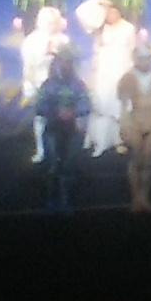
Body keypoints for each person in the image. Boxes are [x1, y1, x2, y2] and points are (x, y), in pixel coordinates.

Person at [74, 0, 138, 157]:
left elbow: (132, 50)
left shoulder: (129, 28)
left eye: (113, 11)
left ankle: (119, 141)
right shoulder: (100, 28)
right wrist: (98, 0)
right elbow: (80, 12)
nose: (110, 14)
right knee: (102, 106)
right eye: (107, 12)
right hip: (103, 71)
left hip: (121, 69)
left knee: (118, 106)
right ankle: (100, 141)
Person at [117, 44, 151, 213]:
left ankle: (144, 196)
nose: (144, 61)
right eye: (141, 58)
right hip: (135, 121)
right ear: (134, 58)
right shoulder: (128, 78)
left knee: (148, 160)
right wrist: (124, 125)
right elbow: (124, 106)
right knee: (136, 158)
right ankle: (135, 197)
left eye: (148, 57)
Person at [36, 47, 91, 212]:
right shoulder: (48, 85)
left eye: (69, 62)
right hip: (53, 129)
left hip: (73, 130)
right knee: (52, 166)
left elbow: (85, 104)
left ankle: (67, 201)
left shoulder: (78, 85)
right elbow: (40, 107)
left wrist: (74, 113)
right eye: (63, 61)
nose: (65, 65)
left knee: (69, 167)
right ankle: (51, 200)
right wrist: (56, 113)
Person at [20, 6, 71, 163]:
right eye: (48, 22)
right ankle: (41, 150)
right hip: (39, 83)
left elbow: (70, 62)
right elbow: (28, 66)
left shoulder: (64, 40)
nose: (51, 25)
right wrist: (31, 85)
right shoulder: (31, 41)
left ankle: (60, 152)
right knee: (41, 118)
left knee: (61, 119)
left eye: (53, 22)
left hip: (61, 85)